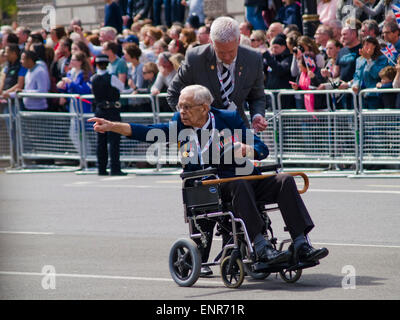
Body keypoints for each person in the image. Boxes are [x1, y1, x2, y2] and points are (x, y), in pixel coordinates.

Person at [88, 84, 329, 276]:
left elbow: (261, 148)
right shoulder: (180, 125)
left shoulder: (228, 119)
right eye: (180, 106)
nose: (181, 111)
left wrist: (246, 149)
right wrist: (112, 126)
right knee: (239, 183)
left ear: (204, 108)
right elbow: (147, 131)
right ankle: (261, 247)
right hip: (210, 187)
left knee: (284, 179)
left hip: (242, 179)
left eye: (187, 107)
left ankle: (301, 242)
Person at [167, 16, 268, 132]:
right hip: (203, 132)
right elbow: (173, 93)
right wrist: (189, 118)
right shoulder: (195, 58)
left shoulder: (253, 58)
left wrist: (257, 116)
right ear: (211, 42)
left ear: (239, 40)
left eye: (231, 52)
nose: (227, 57)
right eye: (221, 52)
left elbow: (257, 96)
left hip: (239, 129)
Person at [90, 54, 127, 176]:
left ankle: (101, 168)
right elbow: (121, 88)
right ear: (107, 64)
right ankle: (115, 168)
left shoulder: (93, 78)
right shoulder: (111, 77)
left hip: (99, 110)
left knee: (101, 141)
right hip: (112, 111)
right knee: (114, 140)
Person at [352, 36, 388, 109]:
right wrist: (355, 84)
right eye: (364, 44)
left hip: (374, 96)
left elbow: (376, 75)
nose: (365, 46)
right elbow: (357, 75)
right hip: (361, 96)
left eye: (367, 44)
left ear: (374, 45)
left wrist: (369, 59)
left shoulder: (382, 58)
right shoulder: (359, 60)